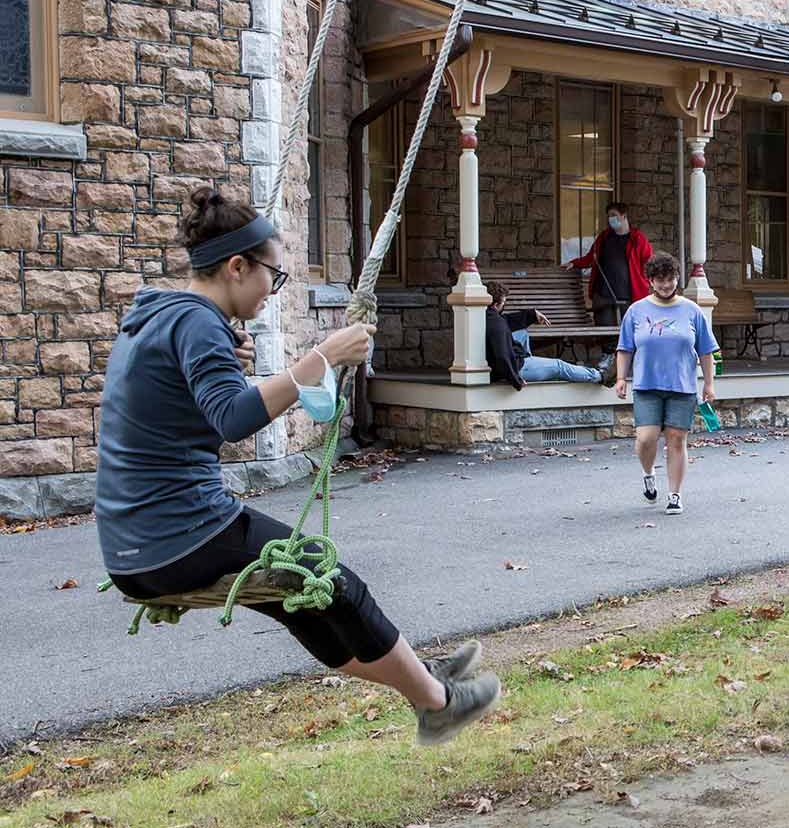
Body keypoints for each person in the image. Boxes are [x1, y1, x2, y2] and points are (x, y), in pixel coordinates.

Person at [94, 188, 500, 746]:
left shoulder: (162, 317)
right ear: (237, 267)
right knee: (327, 580)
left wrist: (232, 370)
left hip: (133, 544)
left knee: (304, 606)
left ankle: (421, 683)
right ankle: (439, 705)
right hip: (175, 535)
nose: (273, 290)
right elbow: (233, 420)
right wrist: (323, 358)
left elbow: (189, 409)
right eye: (274, 276)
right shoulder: (197, 325)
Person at [613, 253, 718, 515]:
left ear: (677, 279)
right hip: (647, 385)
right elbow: (625, 348)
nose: (666, 285)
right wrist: (620, 377)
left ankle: (674, 494)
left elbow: (706, 351)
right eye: (660, 281)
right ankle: (649, 473)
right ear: (650, 281)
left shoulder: (691, 310)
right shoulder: (636, 311)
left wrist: (708, 384)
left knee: (676, 440)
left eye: (670, 280)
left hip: (682, 386)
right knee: (646, 438)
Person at [483, 282, 613, 389]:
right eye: (504, 303)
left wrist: (532, 315)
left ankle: (533, 364)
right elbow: (502, 356)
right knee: (559, 366)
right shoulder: (497, 326)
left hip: (498, 361)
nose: (504, 305)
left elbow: (506, 321)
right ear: (495, 305)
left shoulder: (483, 316)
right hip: (514, 368)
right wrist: (516, 380)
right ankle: (600, 376)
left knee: (521, 333)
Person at [567, 202, 654, 326]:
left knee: (630, 331)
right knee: (604, 332)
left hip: (630, 295)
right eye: (608, 216)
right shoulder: (604, 237)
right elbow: (591, 257)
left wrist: (649, 283)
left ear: (624, 216)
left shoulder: (638, 239)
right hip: (604, 295)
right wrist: (575, 263)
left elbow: (649, 263)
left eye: (614, 215)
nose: (610, 219)